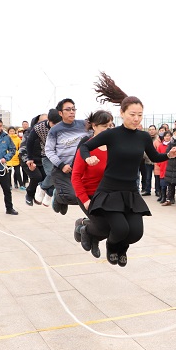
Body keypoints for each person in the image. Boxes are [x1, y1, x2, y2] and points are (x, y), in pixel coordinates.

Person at [78, 72, 176, 266]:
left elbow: (154, 157)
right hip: (110, 191)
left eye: (139, 115)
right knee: (120, 229)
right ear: (122, 113)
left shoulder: (143, 137)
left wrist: (169, 155)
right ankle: (112, 246)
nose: (136, 118)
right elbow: (85, 146)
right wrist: (88, 157)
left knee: (136, 233)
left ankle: (122, 248)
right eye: (132, 114)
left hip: (130, 191)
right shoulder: (112, 134)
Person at [72, 110, 113, 258]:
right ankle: (83, 226)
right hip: (89, 194)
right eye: (104, 126)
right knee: (103, 227)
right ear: (94, 126)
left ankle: (92, 236)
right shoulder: (86, 148)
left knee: (116, 226)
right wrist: (85, 199)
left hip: (107, 195)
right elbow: (75, 176)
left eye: (111, 126)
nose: (109, 129)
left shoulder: (114, 147)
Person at [45, 99, 87, 214]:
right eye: (68, 109)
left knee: (86, 196)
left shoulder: (84, 125)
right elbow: (49, 150)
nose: (72, 112)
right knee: (72, 197)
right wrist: (61, 165)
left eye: (73, 109)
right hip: (62, 170)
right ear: (60, 113)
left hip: (81, 169)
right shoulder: (55, 130)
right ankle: (59, 196)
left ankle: (63, 195)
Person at [20, 113, 48, 206]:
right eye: (43, 121)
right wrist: (27, 160)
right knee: (37, 177)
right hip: (28, 160)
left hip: (42, 160)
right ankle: (29, 195)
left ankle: (38, 196)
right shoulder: (29, 132)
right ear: (37, 122)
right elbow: (22, 149)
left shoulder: (50, 131)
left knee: (47, 177)